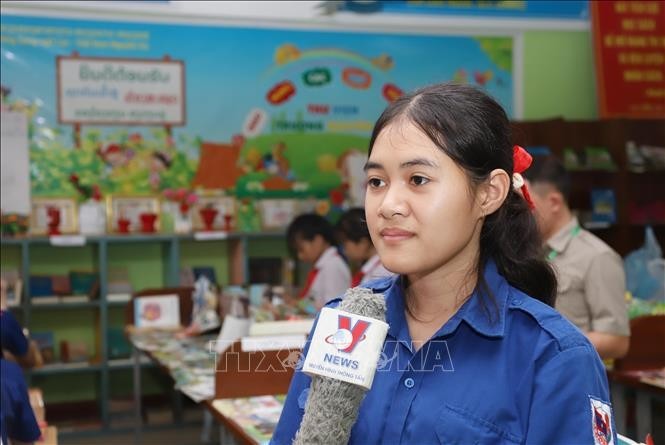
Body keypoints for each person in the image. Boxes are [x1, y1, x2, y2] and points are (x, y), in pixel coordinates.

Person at [272, 83, 616, 444]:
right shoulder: (345, 323)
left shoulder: (554, 358)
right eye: (376, 181)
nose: (388, 205)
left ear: (489, 193)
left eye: (418, 179)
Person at [523, 155, 630, 360]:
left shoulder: (597, 256)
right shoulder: (524, 252)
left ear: (554, 202)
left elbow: (617, 341)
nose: (518, 212)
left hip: (572, 380)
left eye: (526, 203)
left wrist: (545, 344)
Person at [286, 213, 351, 310]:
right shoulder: (323, 266)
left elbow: (334, 308)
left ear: (318, 240)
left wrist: (298, 305)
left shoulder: (332, 266)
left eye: (301, 249)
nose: (300, 256)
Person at [336, 207, 392, 286]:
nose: (344, 250)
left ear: (363, 242)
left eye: (345, 243)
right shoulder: (369, 268)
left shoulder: (381, 272)